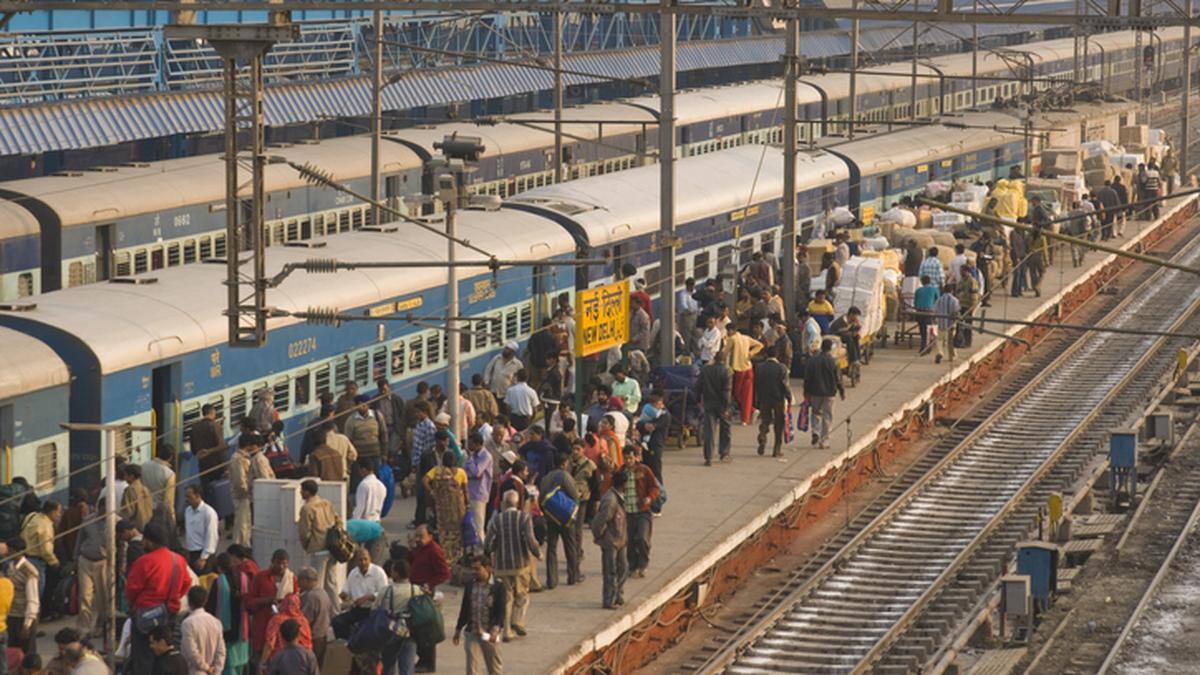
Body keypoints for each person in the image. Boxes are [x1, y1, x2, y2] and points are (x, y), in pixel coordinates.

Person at [125, 522, 190, 675]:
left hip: (144, 618)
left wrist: (134, 606)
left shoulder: (144, 562)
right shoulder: (178, 560)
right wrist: (173, 598)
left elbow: (131, 591)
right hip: (169, 614)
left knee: (143, 660)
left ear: (150, 541)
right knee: (165, 656)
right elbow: (186, 583)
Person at [484, 490, 539, 641]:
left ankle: (507, 631)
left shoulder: (497, 520)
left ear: (503, 503)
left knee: (505, 598)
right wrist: (538, 553)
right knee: (522, 595)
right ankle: (517, 621)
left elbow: (488, 543)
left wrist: (491, 550)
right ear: (517, 503)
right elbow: (530, 540)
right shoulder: (524, 518)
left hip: (501, 567)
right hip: (520, 565)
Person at [407, 525, 450, 673]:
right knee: (417, 627)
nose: (418, 539)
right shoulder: (420, 549)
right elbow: (412, 562)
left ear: (430, 536)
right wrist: (411, 549)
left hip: (425, 593)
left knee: (426, 627)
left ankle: (428, 662)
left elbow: (444, 573)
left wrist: (429, 584)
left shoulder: (434, 550)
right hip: (415, 591)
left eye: (421, 536)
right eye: (417, 536)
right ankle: (422, 659)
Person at [454, 555, 505, 675]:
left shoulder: (498, 586)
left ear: (487, 568)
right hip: (473, 631)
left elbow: (501, 611)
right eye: (473, 569)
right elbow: (465, 608)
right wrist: (458, 628)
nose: (474, 572)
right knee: (472, 669)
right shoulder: (470, 585)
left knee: (494, 668)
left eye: (477, 569)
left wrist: (496, 629)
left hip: (489, 633)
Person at [246, 549, 298, 664]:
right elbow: (250, 601)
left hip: (284, 629)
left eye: (284, 564)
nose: (281, 567)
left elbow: (296, 602)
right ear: (272, 562)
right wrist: (268, 600)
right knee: (260, 661)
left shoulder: (291, 579)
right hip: (263, 625)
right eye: (278, 563)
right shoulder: (260, 577)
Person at [205, 552, 252, 675]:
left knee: (228, 666)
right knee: (241, 666)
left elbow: (210, 606)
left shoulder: (219, 582)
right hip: (243, 632)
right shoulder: (245, 578)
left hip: (226, 633)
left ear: (219, 567)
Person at [539, 452, 580, 588]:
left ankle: (551, 580)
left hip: (551, 517)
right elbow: (574, 495)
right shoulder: (565, 476)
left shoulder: (546, 478)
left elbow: (541, 498)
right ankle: (572, 576)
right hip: (565, 517)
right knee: (570, 546)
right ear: (564, 463)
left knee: (551, 548)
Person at [374, 559, 421, 675]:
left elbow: (375, 610)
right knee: (407, 667)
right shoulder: (416, 590)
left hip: (390, 633)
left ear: (396, 573)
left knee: (388, 666)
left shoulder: (386, 591)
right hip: (410, 633)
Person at [424, 450, 469, 567]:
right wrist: (468, 505)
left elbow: (424, 481)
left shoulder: (436, 471)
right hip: (457, 510)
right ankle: (456, 558)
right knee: (457, 533)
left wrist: (432, 492)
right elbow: (465, 491)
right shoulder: (461, 472)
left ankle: (445, 558)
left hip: (441, 509)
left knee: (444, 533)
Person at [591, 468, 628, 609]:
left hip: (621, 540)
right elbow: (600, 521)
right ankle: (609, 600)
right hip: (611, 541)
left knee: (623, 568)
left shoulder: (618, 497)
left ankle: (618, 594)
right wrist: (600, 537)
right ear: (623, 484)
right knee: (610, 572)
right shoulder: (610, 500)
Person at [297, 480, 339, 600]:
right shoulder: (326, 503)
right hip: (332, 547)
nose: (300, 492)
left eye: (302, 490)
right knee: (331, 584)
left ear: (307, 492)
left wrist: (307, 546)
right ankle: (335, 613)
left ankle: (319, 613)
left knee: (316, 585)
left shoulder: (307, 508)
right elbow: (337, 520)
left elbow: (304, 532)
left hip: (318, 548)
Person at [620, 446, 659, 579]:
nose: (628, 461)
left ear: (636, 457)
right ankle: (632, 565)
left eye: (630, 458)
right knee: (630, 541)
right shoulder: (621, 472)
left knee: (642, 538)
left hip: (643, 511)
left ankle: (643, 564)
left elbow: (655, 487)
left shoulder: (644, 470)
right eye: (626, 458)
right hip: (628, 513)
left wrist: (649, 498)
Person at [230, 433, 273, 547]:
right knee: (242, 525)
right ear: (250, 445)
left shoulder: (244, 458)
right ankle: (241, 547)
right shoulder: (238, 459)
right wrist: (247, 492)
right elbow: (240, 481)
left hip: (245, 496)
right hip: (242, 496)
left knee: (246, 524)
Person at [803, 339, 846, 449]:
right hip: (829, 393)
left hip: (815, 392)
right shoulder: (834, 361)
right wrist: (842, 391)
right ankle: (824, 441)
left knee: (815, 413)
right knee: (827, 416)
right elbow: (838, 378)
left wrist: (806, 392)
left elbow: (807, 378)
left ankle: (815, 432)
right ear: (831, 348)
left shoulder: (812, 361)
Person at [753, 341, 793, 458]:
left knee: (765, 420)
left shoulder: (760, 368)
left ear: (766, 355)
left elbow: (757, 384)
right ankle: (776, 449)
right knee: (778, 424)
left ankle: (762, 435)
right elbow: (784, 385)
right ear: (777, 355)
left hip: (764, 398)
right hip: (778, 399)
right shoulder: (781, 368)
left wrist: (757, 400)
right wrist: (789, 397)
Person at [19, 500, 58, 609]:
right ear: (51, 512)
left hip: (24, 557)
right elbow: (46, 550)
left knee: (24, 591)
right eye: (58, 512)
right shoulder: (45, 526)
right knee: (36, 593)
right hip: (37, 561)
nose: (59, 515)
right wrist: (54, 562)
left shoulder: (32, 516)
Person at [180, 586, 226, 675]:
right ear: (205, 601)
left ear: (189, 601)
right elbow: (221, 651)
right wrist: (217, 670)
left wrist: (206, 668)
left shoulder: (187, 623)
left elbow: (192, 653)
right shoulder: (216, 622)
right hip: (212, 671)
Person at [261, 593, 312, 668]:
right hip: (301, 662)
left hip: (280, 663)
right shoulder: (303, 621)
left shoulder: (276, 620)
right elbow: (308, 644)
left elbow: (269, 644)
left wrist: (262, 663)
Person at [726, 329, 763, 426]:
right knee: (747, 394)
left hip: (738, 369)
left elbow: (724, 352)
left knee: (737, 394)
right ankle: (745, 418)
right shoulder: (746, 338)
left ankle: (751, 411)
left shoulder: (732, 339)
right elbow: (760, 345)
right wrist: (750, 354)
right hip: (748, 368)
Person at [463, 432, 494, 545]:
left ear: (477, 444)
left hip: (479, 494)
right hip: (470, 492)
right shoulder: (473, 456)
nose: (469, 447)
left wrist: (470, 458)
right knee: (471, 525)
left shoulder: (485, 456)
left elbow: (477, 472)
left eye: (471, 444)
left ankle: (483, 551)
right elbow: (465, 472)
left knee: (478, 525)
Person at [297, 567, 332, 667]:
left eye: (300, 580)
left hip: (313, 638)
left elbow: (304, 620)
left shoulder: (310, 597)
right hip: (323, 635)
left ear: (306, 580)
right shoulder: (323, 593)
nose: (298, 584)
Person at [410, 401, 438, 526]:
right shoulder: (420, 425)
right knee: (419, 493)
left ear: (424, 412)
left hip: (424, 463)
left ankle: (421, 519)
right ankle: (419, 518)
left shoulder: (429, 427)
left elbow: (428, 447)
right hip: (418, 462)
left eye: (418, 412)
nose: (416, 414)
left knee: (422, 493)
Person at [191, 403, 229, 487]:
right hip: (217, 465)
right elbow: (221, 448)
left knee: (205, 489)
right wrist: (225, 467)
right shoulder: (215, 426)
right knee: (217, 491)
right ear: (212, 412)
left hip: (203, 464)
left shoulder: (194, 427)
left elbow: (193, 450)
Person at [346, 395, 388, 468]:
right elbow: (348, 439)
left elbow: (384, 434)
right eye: (360, 404)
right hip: (359, 456)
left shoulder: (377, 416)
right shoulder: (351, 420)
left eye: (365, 404)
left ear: (369, 404)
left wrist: (384, 453)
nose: (363, 406)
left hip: (375, 454)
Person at [142, 444, 178, 523]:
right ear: (171, 457)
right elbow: (168, 501)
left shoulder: (144, 465)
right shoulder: (169, 474)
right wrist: (172, 520)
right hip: (158, 512)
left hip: (144, 508)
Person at [933, 282, 961, 364]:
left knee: (939, 340)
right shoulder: (954, 300)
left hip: (941, 323)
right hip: (951, 324)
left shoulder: (939, 299)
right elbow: (956, 311)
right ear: (952, 291)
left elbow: (935, 310)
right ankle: (952, 356)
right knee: (950, 341)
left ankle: (940, 352)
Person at [353, 458, 386, 523]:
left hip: (365, 522)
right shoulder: (382, 486)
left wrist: (353, 522)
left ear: (363, 470)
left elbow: (360, 508)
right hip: (377, 521)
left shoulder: (363, 485)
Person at [913, 274, 938, 355]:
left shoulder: (918, 290)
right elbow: (938, 300)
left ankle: (923, 346)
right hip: (929, 312)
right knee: (930, 329)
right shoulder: (934, 289)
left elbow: (915, 303)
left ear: (922, 282)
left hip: (919, 311)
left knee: (922, 329)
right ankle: (928, 346)